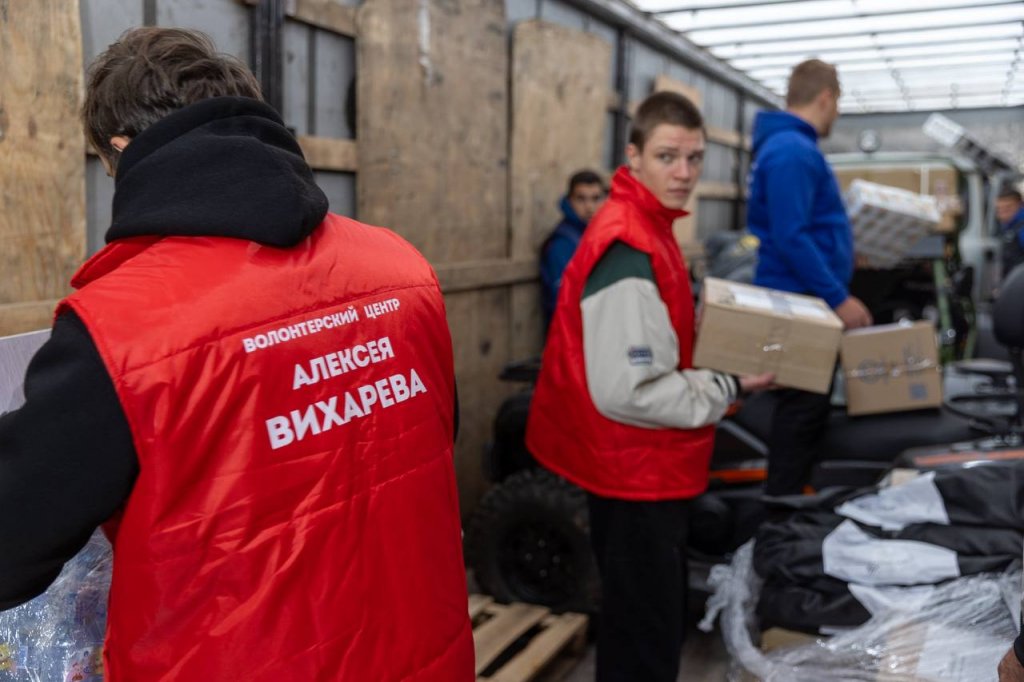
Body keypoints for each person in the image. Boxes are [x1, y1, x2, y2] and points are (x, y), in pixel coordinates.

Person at [0, 28, 474, 680]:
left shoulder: (124, 328)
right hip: (421, 653)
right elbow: (428, 440)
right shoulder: (402, 270)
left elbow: (13, 542)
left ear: (122, 150)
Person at [525, 91, 774, 682]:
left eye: (694, 158)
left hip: (644, 466)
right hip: (636, 473)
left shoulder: (650, 226)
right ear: (633, 156)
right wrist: (728, 385)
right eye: (667, 157)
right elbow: (630, 391)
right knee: (644, 637)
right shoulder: (627, 246)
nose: (684, 173)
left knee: (639, 624)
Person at [747, 59, 872, 497]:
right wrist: (838, 296)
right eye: (837, 103)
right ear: (825, 97)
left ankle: (791, 502)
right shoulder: (792, 151)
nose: (836, 113)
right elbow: (791, 235)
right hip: (801, 304)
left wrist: (842, 253)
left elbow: (802, 227)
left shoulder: (791, 147)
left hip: (805, 297)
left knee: (806, 414)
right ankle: (782, 515)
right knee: (800, 416)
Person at [539, 170, 606, 326]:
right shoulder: (562, 244)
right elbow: (564, 302)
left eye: (596, 198)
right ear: (569, 201)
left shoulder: (599, 235)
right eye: (581, 199)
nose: (589, 206)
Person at [997, 188, 1024, 278]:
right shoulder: (1009, 226)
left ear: (1020, 205)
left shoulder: (1021, 227)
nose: (1002, 214)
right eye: (999, 209)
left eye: (1008, 208)